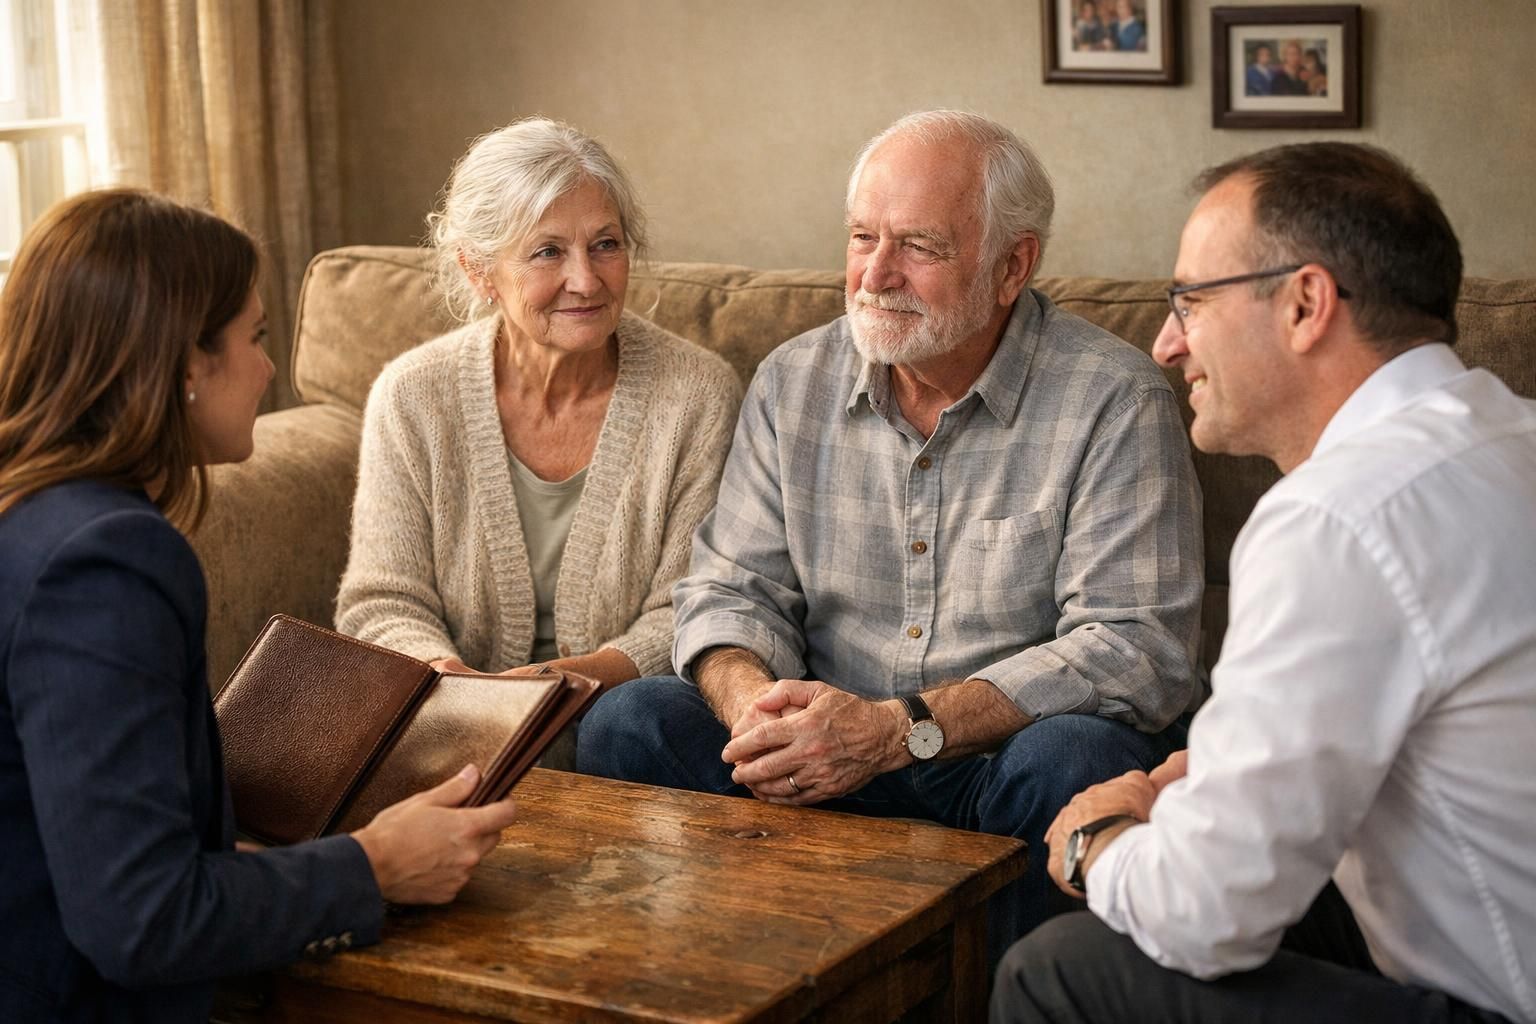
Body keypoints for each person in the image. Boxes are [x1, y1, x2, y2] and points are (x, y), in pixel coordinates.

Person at [577, 110, 1204, 956]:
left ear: (1012, 264)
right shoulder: (792, 380)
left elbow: (1135, 647)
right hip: (819, 759)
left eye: (919, 246)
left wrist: (895, 730)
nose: (876, 274)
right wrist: (756, 712)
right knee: (633, 721)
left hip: (994, 763)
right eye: (863, 237)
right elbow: (731, 590)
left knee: (1077, 757)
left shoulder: (1113, 399)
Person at [993, 143, 1536, 1023]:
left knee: (1061, 969)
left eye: (1190, 302)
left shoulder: (1338, 517)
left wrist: (1099, 838)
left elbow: (1207, 917)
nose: (1167, 343)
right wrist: (1214, 779)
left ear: (1305, 303)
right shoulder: (1509, 436)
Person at [0, 190, 521, 1022]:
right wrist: (373, 866)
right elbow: (141, 919)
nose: (269, 369)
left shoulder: (37, 519)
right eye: (255, 337)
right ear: (184, 365)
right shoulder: (102, 562)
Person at [335, 119, 743, 747]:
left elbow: (692, 608)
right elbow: (381, 602)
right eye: (548, 251)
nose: (586, 279)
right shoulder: (414, 394)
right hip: (443, 729)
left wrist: (561, 685)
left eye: (605, 244)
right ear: (478, 271)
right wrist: (453, 689)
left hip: (621, 736)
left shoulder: (696, 394)